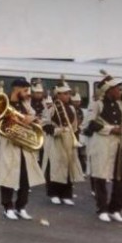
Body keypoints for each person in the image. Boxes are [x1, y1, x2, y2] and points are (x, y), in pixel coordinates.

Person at [0, 79, 45, 221]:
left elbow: (36, 119)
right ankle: (8, 208)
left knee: (25, 179)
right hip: (10, 146)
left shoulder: (25, 104)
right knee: (8, 178)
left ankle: (21, 207)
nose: (27, 94)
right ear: (16, 89)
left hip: (25, 147)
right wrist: (16, 121)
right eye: (25, 90)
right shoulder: (4, 103)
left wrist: (32, 119)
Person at [84, 72, 122, 223]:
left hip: (117, 145)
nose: (120, 91)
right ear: (109, 91)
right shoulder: (97, 104)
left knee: (121, 178)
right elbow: (90, 124)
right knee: (100, 177)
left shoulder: (120, 105)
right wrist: (112, 129)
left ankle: (115, 209)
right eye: (117, 89)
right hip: (102, 144)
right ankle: (102, 208)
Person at [41, 78, 84, 206]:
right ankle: (53, 193)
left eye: (68, 93)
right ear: (58, 95)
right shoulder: (51, 108)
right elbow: (45, 124)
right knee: (55, 168)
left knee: (68, 167)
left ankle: (66, 194)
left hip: (68, 140)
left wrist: (75, 137)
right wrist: (58, 130)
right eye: (64, 93)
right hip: (56, 141)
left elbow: (74, 125)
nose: (67, 96)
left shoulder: (71, 108)